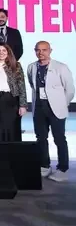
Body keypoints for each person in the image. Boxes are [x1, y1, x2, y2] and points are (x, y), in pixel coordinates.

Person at [27, 41, 73, 182]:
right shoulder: (31, 67)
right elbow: (32, 84)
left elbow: (70, 90)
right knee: (41, 138)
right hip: (39, 107)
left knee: (59, 138)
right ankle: (44, 165)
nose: (41, 52)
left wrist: (62, 104)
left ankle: (63, 168)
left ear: (50, 50)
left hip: (56, 108)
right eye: (38, 50)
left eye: (44, 49)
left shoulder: (61, 67)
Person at [0, 43, 27, 142]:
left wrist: (23, 105)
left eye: (4, 50)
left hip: (12, 100)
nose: (1, 53)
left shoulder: (16, 65)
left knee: (13, 130)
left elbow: (21, 85)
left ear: (8, 52)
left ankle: (13, 151)